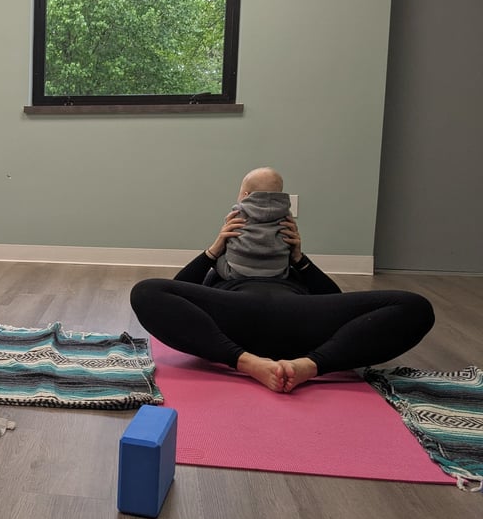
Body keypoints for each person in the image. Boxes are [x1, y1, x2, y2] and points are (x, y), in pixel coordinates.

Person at [130, 174, 435, 393]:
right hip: (236, 315)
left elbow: (333, 297)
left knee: (416, 307)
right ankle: (250, 363)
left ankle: (308, 366)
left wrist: (299, 257)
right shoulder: (223, 266)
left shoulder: (293, 264)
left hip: (299, 318)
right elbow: (178, 288)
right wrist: (215, 250)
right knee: (146, 291)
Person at [215, 167, 292, 280]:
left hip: (235, 272)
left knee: (217, 260)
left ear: (245, 195)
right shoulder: (286, 214)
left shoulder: (238, 212)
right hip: (278, 273)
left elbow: (228, 234)